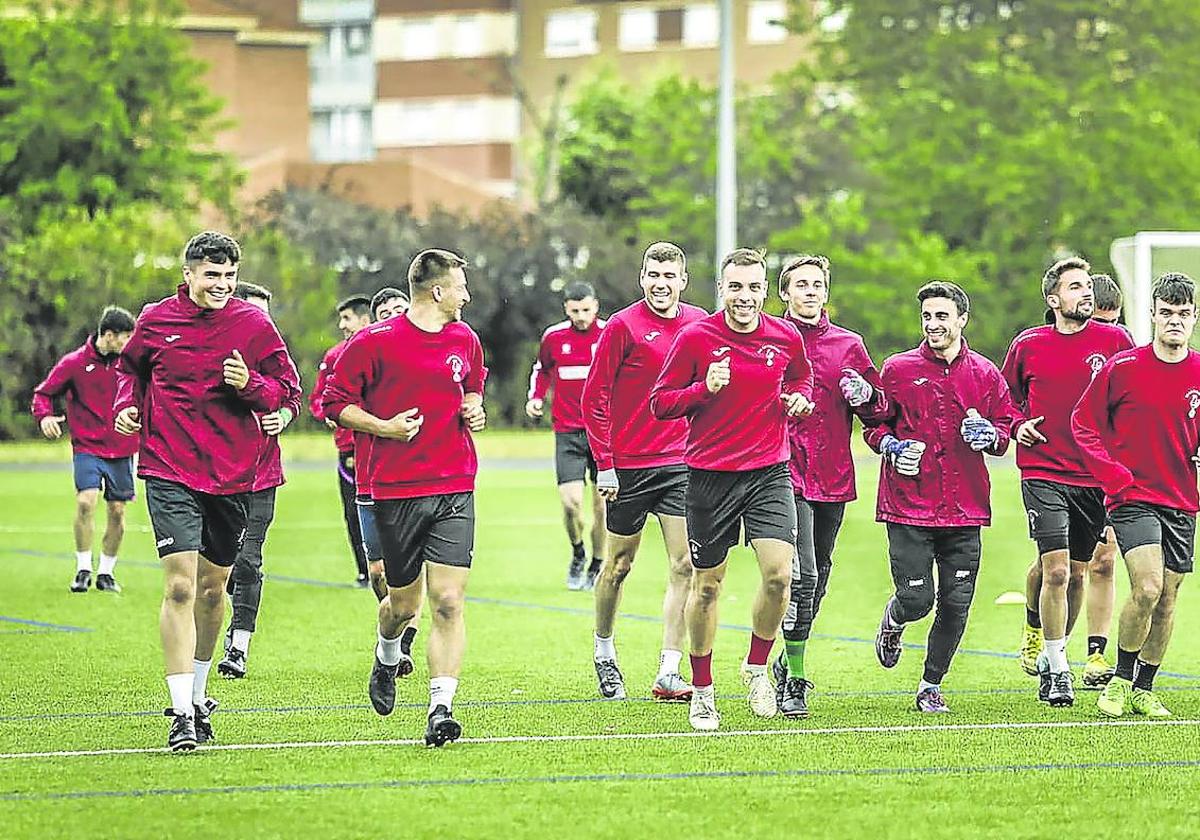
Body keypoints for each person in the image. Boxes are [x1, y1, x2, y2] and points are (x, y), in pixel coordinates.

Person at [114, 231, 302, 752]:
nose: (221, 285)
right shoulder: (155, 320)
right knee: (179, 586)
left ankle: (198, 696)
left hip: (233, 476)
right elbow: (129, 370)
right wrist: (126, 405)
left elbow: (288, 393)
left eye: (229, 277)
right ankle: (179, 715)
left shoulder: (254, 324)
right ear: (189, 274)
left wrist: (250, 386)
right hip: (169, 468)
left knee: (213, 589)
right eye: (211, 276)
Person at [323, 249, 487, 747]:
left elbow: (472, 386)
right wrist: (384, 428)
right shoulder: (374, 342)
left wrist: (473, 409)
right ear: (437, 291)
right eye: (460, 286)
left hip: (455, 485)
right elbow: (334, 403)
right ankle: (386, 655)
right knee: (401, 604)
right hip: (395, 491)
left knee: (449, 601)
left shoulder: (466, 339)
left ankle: (441, 707)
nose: (467, 295)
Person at [650, 248, 814, 731]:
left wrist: (799, 399)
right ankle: (702, 689)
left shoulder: (784, 336)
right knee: (707, 587)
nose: (745, 297)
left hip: (769, 472)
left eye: (753, 287)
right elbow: (661, 403)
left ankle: (757, 668)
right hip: (709, 477)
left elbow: (801, 379)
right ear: (721, 289)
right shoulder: (696, 338)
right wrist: (704, 389)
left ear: (765, 291)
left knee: (782, 576)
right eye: (735, 287)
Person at [867, 281, 1018, 713]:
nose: (933, 324)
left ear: (962, 319)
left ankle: (930, 684)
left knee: (956, 604)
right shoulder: (897, 368)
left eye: (941, 316)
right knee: (918, 600)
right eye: (927, 316)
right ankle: (895, 620)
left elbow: (1005, 431)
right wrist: (893, 449)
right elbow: (875, 426)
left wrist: (991, 435)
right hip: (908, 507)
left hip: (965, 509)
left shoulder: (986, 374)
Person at [1003, 259, 1134, 706]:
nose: (1086, 293)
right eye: (1075, 287)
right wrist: (1018, 425)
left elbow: (1132, 394)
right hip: (1042, 471)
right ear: (1053, 299)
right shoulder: (1028, 345)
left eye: (1087, 286)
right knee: (1055, 569)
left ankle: (1051, 653)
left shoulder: (1115, 341)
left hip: (1093, 477)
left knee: (1079, 573)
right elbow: (1006, 401)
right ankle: (1057, 666)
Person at [1072, 272, 1200, 719]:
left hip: (1182, 500)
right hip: (1132, 497)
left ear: (1194, 318)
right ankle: (1120, 679)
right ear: (1152, 315)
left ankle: (1145, 686)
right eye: (1167, 313)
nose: (1175, 322)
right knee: (1146, 586)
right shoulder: (1123, 368)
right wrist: (1113, 475)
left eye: (1184, 314)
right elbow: (1082, 423)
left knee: (1167, 598)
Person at [583, 242, 706, 702]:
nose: (661, 283)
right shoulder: (622, 326)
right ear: (642, 278)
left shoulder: (698, 324)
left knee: (686, 563)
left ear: (683, 281)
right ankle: (604, 651)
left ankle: (669, 669)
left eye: (669, 276)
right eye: (653, 274)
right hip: (629, 468)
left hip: (680, 463)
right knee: (618, 566)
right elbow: (593, 398)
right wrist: (606, 465)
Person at [774, 255, 890, 717]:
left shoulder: (849, 345)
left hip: (833, 475)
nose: (809, 291)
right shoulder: (769, 338)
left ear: (826, 291)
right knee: (801, 576)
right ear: (785, 293)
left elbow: (878, 411)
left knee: (818, 578)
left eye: (817, 284)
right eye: (800, 284)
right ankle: (796, 682)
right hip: (782, 471)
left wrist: (867, 395)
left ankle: (788, 658)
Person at [217, 283, 300, 679]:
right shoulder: (211, 351)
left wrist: (281, 417)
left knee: (249, 560)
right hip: (212, 479)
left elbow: (293, 398)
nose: (262, 321)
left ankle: (238, 645)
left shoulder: (273, 355)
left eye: (266, 313)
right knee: (217, 568)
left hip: (261, 475)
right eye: (254, 312)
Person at [32, 306, 138, 593]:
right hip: (87, 448)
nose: (130, 343)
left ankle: (106, 572)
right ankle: (82, 569)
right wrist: (44, 417)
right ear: (109, 335)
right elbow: (43, 393)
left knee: (117, 511)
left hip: (123, 448)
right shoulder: (74, 362)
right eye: (126, 337)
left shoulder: (130, 364)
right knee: (85, 502)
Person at [346, 287, 423, 676]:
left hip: (418, 481)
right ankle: (393, 627)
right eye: (387, 311)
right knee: (378, 572)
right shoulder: (365, 355)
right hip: (371, 479)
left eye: (401, 309)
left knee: (415, 569)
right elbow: (338, 405)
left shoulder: (426, 351)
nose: (394, 314)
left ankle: (403, 640)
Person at [527, 283, 608, 590]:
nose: (581, 317)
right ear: (566, 309)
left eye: (586, 310)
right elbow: (542, 370)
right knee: (571, 503)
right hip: (568, 432)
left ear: (596, 306)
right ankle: (578, 552)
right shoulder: (554, 337)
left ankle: (598, 564)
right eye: (575, 311)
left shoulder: (608, 335)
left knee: (602, 506)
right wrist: (536, 398)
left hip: (602, 433)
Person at [310, 294, 373, 587]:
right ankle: (364, 569)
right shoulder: (335, 356)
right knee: (354, 511)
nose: (341, 325)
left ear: (364, 319)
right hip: (349, 448)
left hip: (383, 444)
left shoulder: (385, 348)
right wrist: (330, 414)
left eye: (347, 318)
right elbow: (318, 399)